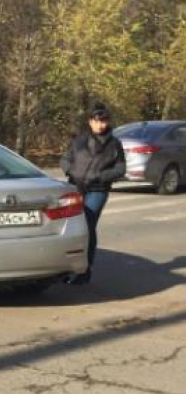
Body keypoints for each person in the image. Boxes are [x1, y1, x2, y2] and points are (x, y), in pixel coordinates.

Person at [60, 102, 126, 284]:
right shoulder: (79, 140)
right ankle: (66, 267)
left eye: (103, 121)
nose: (100, 125)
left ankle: (85, 270)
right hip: (76, 187)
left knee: (87, 225)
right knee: (70, 227)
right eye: (97, 121)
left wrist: (101, 176)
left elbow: (121, 168)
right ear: (90, 122)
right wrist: (70, 170)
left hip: (98, 190)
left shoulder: (114, 144)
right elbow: (65, 159)